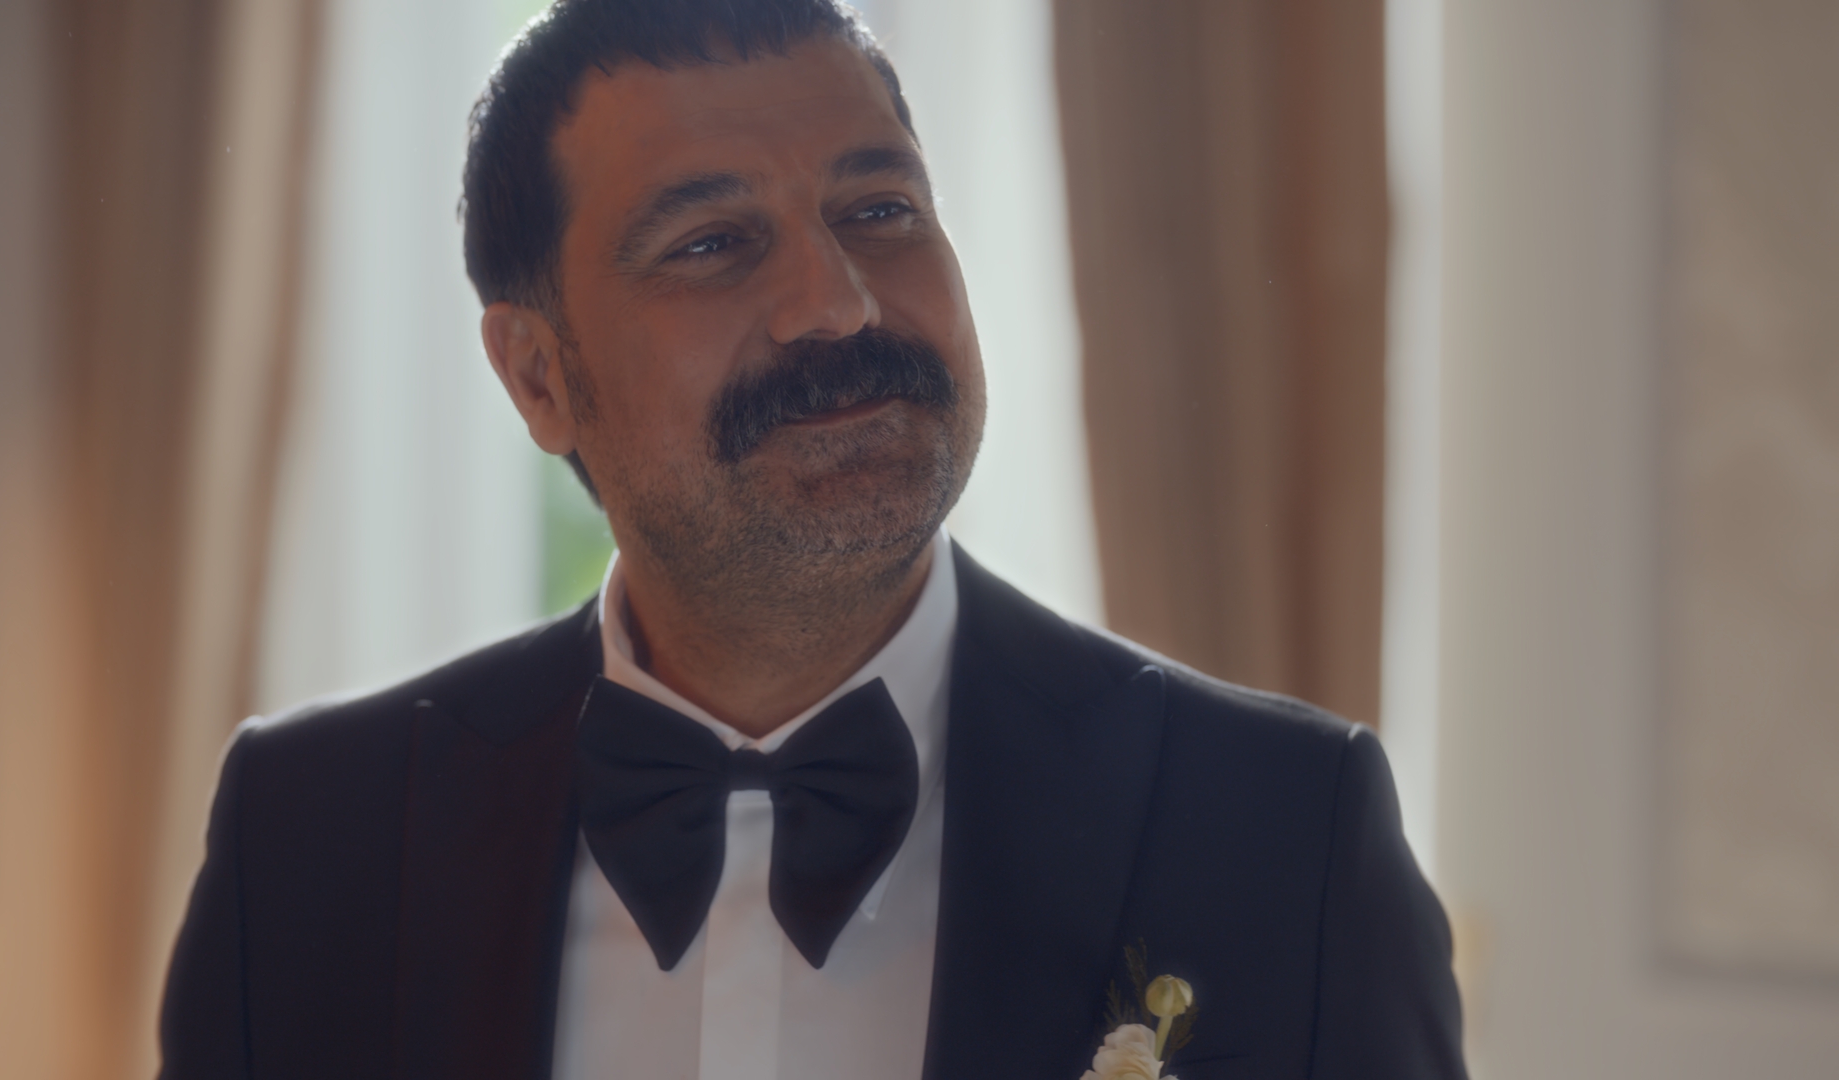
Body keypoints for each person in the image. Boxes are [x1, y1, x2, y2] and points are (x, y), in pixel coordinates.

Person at [158, 2, 1467, 1077]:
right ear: (539, 376)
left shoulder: (1284, 831)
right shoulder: (312, 840)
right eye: (712, 243)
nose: (835, 305)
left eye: (879, 210)